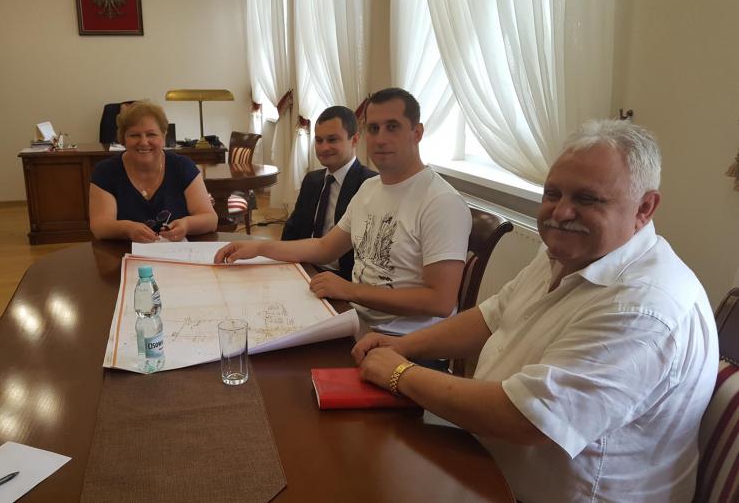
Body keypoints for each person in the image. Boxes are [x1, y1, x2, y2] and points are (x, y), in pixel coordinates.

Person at [351, 119, 718, 502]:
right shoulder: (569, 250)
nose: (561, 212)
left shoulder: (646, 307)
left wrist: (400, 373)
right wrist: (403, 346)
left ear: (644, 207)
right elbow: (494, 315)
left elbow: (527, 418)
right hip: (486, 459)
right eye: (553, 194)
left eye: (586, 199)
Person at [216, 88, 471, 335]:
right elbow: (325, 248)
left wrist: (349, 290)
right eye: (373, 128)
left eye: (392, 127)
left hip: (403, 340)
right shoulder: (370, 188)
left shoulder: (441, 202)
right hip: (354, 318)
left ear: (417, 133)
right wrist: (259, 248)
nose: (380, 139)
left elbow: (440, 301)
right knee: (250, 318)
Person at [89, 100, 218, 243]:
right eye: (134, 135)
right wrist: (127, 228)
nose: (144, 142)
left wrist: (187, 225)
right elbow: (100, 226)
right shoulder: (105, 172)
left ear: (163, 136)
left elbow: (210, 219)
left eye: (151, 134)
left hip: (177, 252)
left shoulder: (183, 167)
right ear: (123, 139)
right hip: (123, 253)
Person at [281, 105, 377, 280]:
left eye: (332, 140)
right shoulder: (312, 180)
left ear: (355, 140)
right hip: (304, 268)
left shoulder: (370, 185)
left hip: (345, 279)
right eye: (319, 141)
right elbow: (292, 230)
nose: (324, 147)